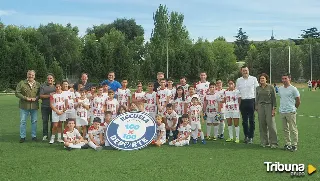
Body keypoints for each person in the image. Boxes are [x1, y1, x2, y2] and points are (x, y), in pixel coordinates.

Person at [15, 70, 41, 143]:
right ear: (27, 75)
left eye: (32, 75)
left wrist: (36, 98)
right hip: (24, 106)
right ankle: (22, 137)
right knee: (23, 122)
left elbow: (40, 94)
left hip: (34, 106)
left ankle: (34, 136)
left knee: (34, 121)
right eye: (29, 74)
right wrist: (25, 98)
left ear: (34, 76)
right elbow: (17, 93)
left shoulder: (38, 84)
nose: (31, 76)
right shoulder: (22, 83)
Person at [236, 66, 259, 144]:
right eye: (243, 71)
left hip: (251, 101)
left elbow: (257, 91)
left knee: (252, 120)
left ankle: (251, 137)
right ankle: (246, 136)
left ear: (248, 71)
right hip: (243, 101)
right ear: (241, 71)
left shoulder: (253, 79)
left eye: (246, 70)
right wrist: (238, 103)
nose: (245, 72)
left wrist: (256, 103)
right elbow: (237, 92)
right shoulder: (239, 80)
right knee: (244, 121)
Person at [278, 73, 301, 152]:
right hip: (282, 111)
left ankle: (294, 145)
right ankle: (288, 144)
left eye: (285, 78)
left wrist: (294, 108)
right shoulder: (280, 89)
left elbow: (298, 100)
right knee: (285, 129)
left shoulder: (293, 89)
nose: (284, 80)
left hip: (290, 112)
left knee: (293, 129)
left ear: (289, 79)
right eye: (283, 79)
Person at [256, 73, 278, 148]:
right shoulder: (257, 88)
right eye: (260, 78)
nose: (262, 80)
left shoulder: (271, 87)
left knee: (271, 125)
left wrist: (274, 109)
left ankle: (274, 143)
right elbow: (257, 98)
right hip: (260, 106)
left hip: (269, 106)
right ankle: (264, 142)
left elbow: (274, 99)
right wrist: (256, 106)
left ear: (266, 79)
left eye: (263, 78)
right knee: (262, 125)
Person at [40, 73, 56, 141]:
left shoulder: (56, 87)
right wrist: (50, 95)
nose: (49, 79)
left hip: (53, 107)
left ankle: (52, 135)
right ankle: (45, 135)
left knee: (53, 121)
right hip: (45, 106)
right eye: (48, 78)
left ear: (53, 79)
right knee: (45, 121)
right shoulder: (43, 86)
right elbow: (41, 96)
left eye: (51, 78)